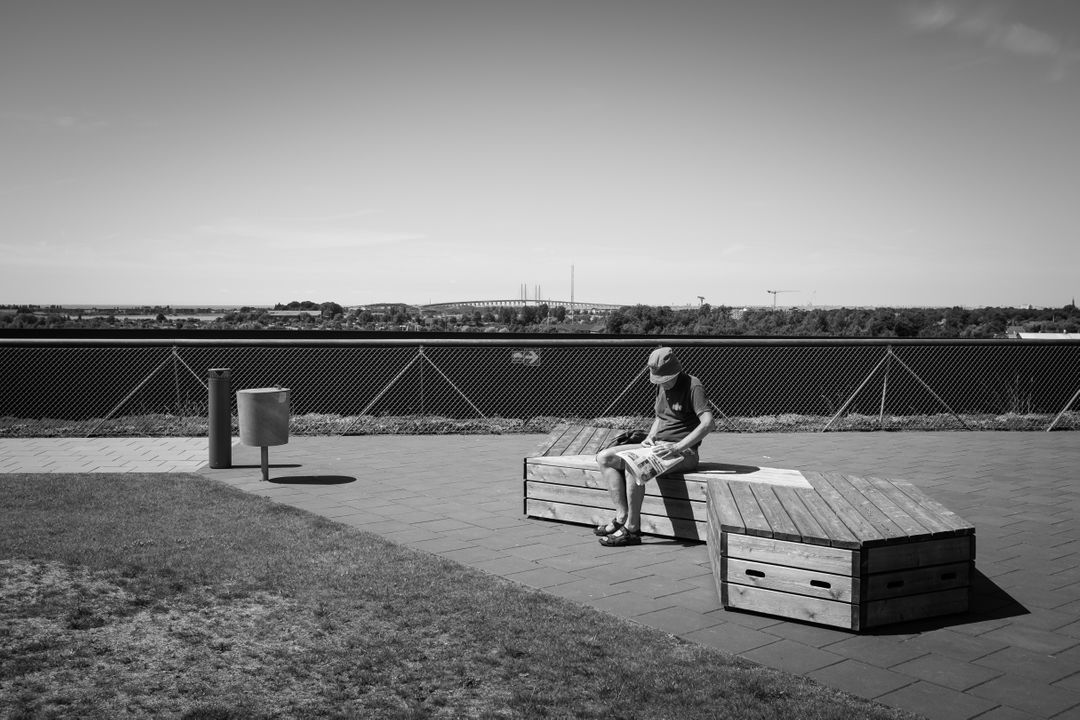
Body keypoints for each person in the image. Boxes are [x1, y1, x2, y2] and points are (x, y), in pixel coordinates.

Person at [593, 346, 714, 547]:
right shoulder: (662, 385)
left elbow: (708, 423)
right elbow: (660, 416)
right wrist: (650, 436)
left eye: (666, 379)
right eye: (659, 380)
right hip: (656, 447)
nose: (662, 384)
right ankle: (621, 516)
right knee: (604, 457)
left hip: (684, 452)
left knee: (635, 464)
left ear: (676, 372)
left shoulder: (693, 385)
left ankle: (632, 529)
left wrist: (677, 447)